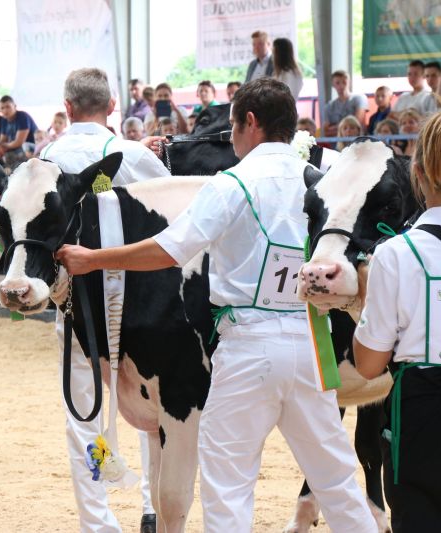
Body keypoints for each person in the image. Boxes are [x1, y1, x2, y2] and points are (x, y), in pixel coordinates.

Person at [56, 77, 378, 532]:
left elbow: (170, 249)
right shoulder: (319, 182)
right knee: (338, 480)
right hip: (309, 343)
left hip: (247, 347)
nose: (229, 137)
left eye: (232, 125)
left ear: (251, 121)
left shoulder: (231, 183)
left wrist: (93, 259)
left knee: (228, 486)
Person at [41, 67, 170, 533]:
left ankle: (99, 523)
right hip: (144, 305)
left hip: (80, 309)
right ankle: (152, 508)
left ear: (68, 107)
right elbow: (176, 208)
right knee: (152, 411)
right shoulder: (133, 154)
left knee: (86, 418)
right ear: (113, 107)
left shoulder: (47, 158)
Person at [353, 111, 441, 532]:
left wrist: (363, 299)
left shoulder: (394, 254)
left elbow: (369, 365)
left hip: (422, 412)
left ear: (418, 173)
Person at [323, 70, 368, 137]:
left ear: (349, 82)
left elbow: (357, 124)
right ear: (333, 84)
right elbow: (326, 132)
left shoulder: (360, 98)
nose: (341, 86)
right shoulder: (329, 106)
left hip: (356, 143)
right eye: (337, 83)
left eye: (344, 82)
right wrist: (348, 128)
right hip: (336, 145)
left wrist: (334, 128)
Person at [0, 95, 38, 161]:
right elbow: (2, 140)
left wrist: (3, 146)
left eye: (8, 107)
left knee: (7, 157)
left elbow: (18, 143)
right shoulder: (3, 120)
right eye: (2, 108)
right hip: (16, 149)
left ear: (15, 106)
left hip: (31, 149)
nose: (5, 110)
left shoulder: (23, 116)